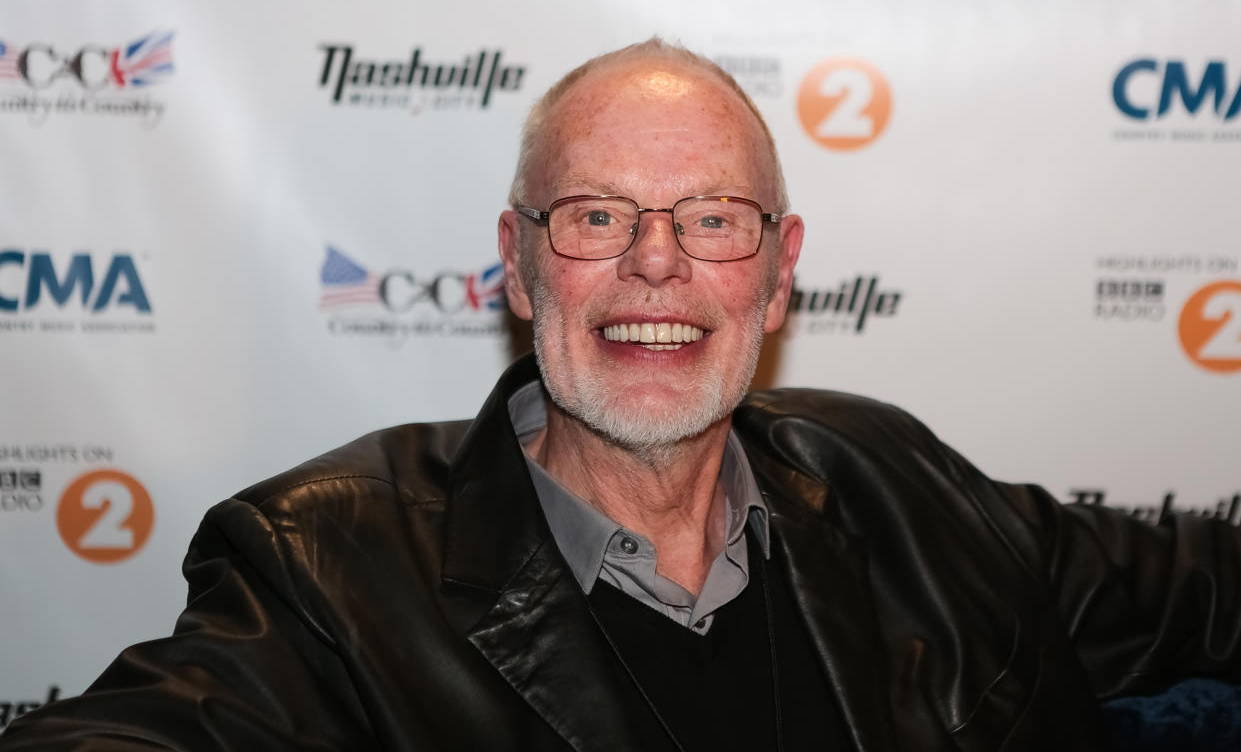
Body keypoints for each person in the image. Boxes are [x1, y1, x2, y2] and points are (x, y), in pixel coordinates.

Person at [4, 39, 1240, 751]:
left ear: (776, 276)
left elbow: (1198, 590)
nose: (657, 261)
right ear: (520, 261)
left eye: (711, 218)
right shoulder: (324, 563)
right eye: (598, 215)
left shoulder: (896, 483)